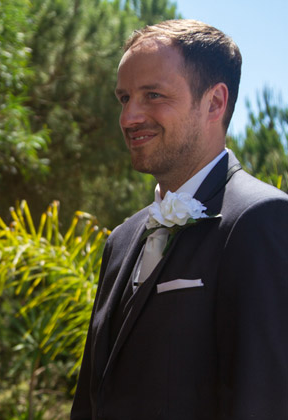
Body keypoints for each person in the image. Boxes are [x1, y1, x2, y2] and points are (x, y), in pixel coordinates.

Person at [71, 19, 288, 420]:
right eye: (124, 98)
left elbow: (265, 400)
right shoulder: (121, 240)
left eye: (153, 95)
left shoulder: (262, 220)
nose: (129, 117)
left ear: (215, 103)